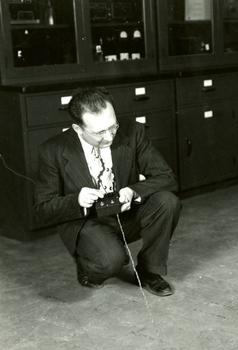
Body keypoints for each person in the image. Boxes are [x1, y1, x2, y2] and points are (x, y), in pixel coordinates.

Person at [34, 87, 181, 296]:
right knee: (110, 262)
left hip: (125, 213)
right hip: (88, 221)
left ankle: (149, 271)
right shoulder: (52, 150)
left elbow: (167, 177)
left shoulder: (132, 132)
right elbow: (42, 209)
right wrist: (76, 200)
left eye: (112, 127)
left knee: (167, 201)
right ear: (77, 128)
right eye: (100, 132)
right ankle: (89, 267)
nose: (110, 136)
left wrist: (133, 190)